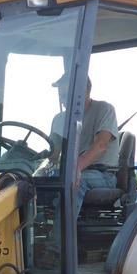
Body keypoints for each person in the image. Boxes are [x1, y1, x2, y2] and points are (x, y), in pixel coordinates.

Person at [49, 75, 120, 215]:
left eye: (66, 95)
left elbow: (100, 146)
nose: (63, 100)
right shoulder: (59, 119)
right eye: (61, 96)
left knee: (73, 182)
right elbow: (54, 154)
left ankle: (58, 234)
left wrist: (75, 169)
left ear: (84, 92)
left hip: (101, 174)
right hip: (70, 171)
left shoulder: (104, 110)